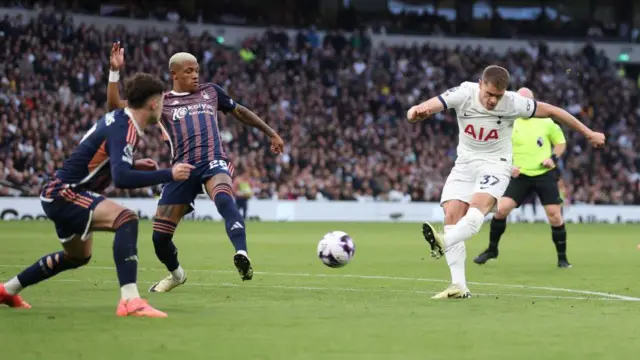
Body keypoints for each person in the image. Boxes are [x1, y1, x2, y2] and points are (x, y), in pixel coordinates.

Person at [0, 73, 194, 316]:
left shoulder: (119, 119)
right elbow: (122, 178)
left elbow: (110, 165)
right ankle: (130, 301)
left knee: (77, 257)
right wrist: (170, 174)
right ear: (154, 103)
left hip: (59, 191)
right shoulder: (126, 128)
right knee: (126, 218)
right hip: (65, 193)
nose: (163, 108)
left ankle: (7, 291)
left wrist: (133, 165)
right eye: (163, 102)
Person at [407, 65, 605, 299]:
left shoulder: (513, 103)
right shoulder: (464, 92)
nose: (492, 100)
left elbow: (553, 111)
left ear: (506, 92)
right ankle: (458, 285)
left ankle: (444, 241)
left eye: (498, 96)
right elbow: (430, 106)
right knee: (451, 214)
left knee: (477, 208)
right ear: (480, 83)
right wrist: (416, 111)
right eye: (489, 94)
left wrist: (588, 132)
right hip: (465, 164)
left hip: (496, 164)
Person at [106, 43, 284, 292]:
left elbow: (240, 111)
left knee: (225, 199)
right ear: (174, 74)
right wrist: (114, 72)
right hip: (181, 170)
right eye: (189, 71)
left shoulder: (211, 92)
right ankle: (177, 274)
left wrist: (271, 133)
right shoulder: (161, 102)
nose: (195, 75)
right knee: (160, 238)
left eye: (197, 70)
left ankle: (241, 252)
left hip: (213, 160)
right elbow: (115, 106)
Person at [474, 87, 571, 268]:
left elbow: (560, 142)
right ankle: (492, 249)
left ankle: (562, 258)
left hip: (544, 174)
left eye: (528, 103)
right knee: (501, 210)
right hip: (519, 175)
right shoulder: (507, 122)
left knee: (555, 216)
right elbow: (496, 147)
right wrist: (509, 167)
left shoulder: (546, 122)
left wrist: (553, 158)